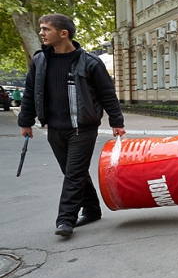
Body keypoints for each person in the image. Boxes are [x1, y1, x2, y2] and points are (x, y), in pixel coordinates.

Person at [17, 14, 126, 237]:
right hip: (55, 128)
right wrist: (26, 121)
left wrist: (117, 122)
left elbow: (107, 95)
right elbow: (30, 93)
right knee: (73, 172)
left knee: (73, 174)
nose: (41, 33)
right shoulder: (40, 60)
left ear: (63, 33)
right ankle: (93, 209)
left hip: (83, 128)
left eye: (46, 29)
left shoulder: (89, 62)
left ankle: (65, 219)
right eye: (41, 29)